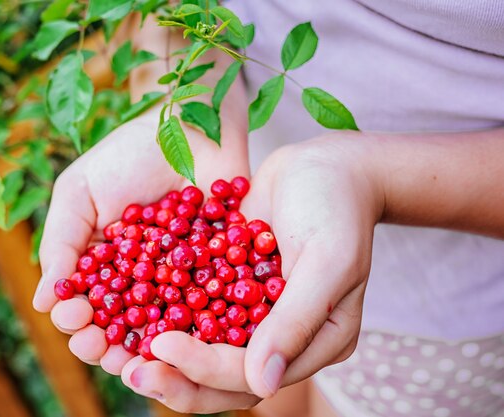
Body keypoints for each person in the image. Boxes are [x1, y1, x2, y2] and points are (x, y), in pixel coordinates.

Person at [33, 1, 504, 415]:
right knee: (272, 392)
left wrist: (374, 178)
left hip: (438, 317)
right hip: (274, 214)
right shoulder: (226, 231)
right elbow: (162, 6)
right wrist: (184, 105)